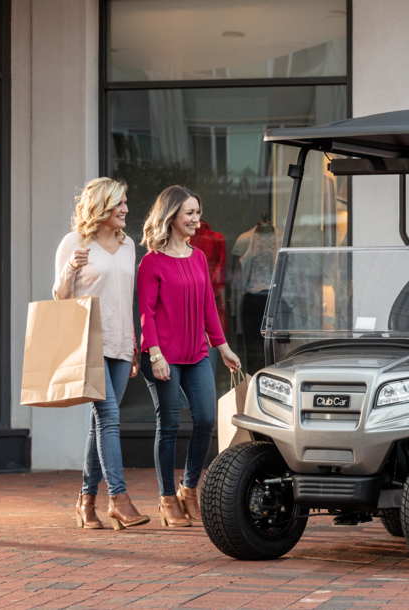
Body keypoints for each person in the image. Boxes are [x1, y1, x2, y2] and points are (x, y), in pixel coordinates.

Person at [138, 185, 241, 528]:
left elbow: (208, 305)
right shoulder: (151, 262)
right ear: (172, 217)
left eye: (198, 212)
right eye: (190, 214)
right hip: (162, 356)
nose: (197, 219)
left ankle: (189, 488)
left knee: (206, 420)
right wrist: (154, 355)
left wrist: (222, 346)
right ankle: (167, 497)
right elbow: (146, 313)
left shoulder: (198, 257)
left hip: (197, 353)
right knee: (168, 425)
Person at [54, 177, 149, 531]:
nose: (125, 209)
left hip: (122, 344)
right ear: (101, 207)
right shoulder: (74, 243)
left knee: (99, 427)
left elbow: (127, 299)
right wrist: (71, 268)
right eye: (118, 204)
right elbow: (61, 296)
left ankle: (85, 500)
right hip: (90, 343)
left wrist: (136, 346)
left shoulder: (128, 246)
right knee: (108, 416)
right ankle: (119, 499)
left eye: (125, 202)